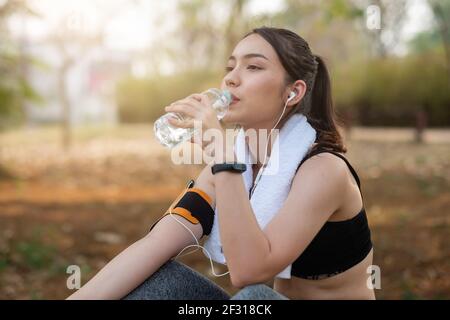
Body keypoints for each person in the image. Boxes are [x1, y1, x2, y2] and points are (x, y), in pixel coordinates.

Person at [67, 26, 374, 300]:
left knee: (256, 297)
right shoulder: (228, 165)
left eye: (253, 66)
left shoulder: (323, 170)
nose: (231, 78)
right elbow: (156, 245)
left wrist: (224, 161)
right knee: (156, 279)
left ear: (293, 91)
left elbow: (249, 272)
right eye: (230, 66)